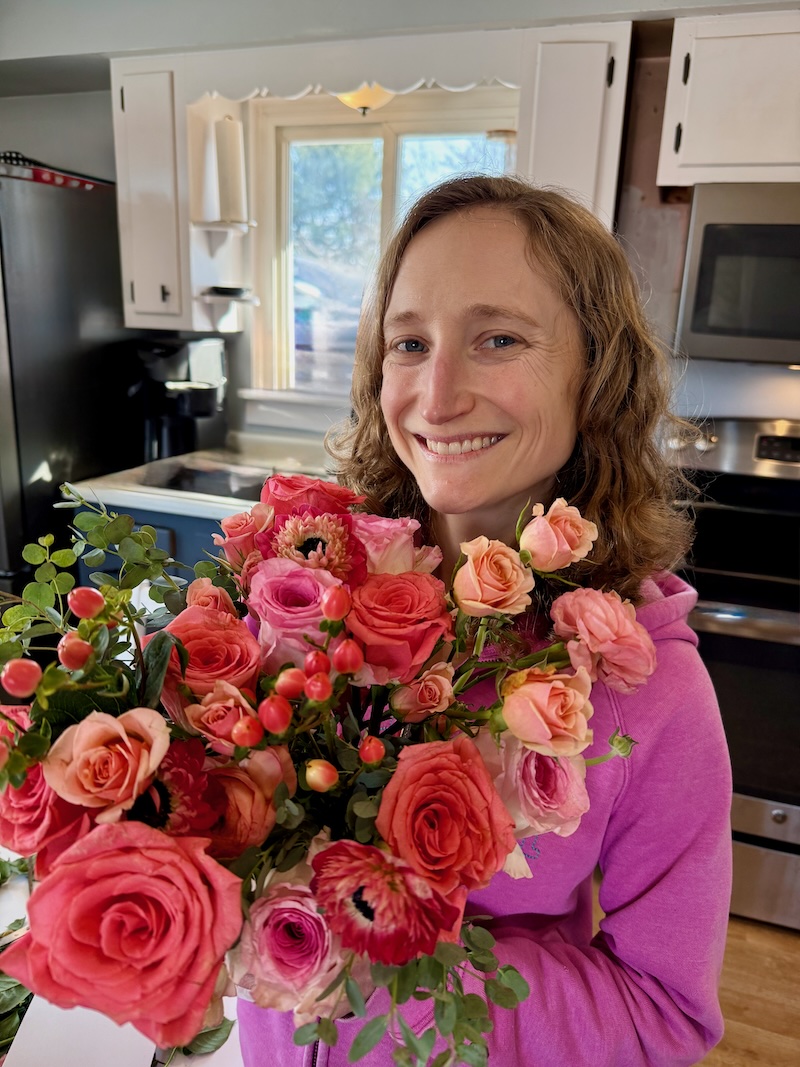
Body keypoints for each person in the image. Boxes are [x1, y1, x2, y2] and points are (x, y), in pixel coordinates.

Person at [237, 175, 733, 1066]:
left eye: (498, 338)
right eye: (410, 343)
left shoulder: (650, 688)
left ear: (597, 377)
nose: (437, 394)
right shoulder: (303, 604)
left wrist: (385, 978)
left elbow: (668, 1012)